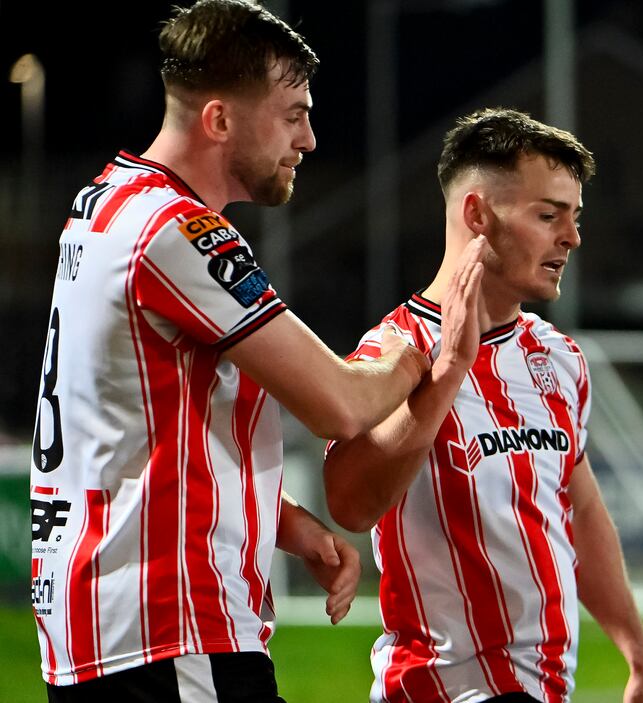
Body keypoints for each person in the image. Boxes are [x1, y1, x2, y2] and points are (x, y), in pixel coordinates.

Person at [27, 1, 475, 700]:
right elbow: (341, 403)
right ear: (220, 120)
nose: (311, 139)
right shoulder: (176, 231)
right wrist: (428, 338)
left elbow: (135, 430)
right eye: (293, 113)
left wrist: (282, 518)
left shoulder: (104, 204)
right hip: (171, 629)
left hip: (105, 627)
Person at [323, 108, 643, 703]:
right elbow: (350, 504)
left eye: (574, 217)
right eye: (548, 215)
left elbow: (579, 507)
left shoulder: (558, 357)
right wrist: (449, 374)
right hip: (441, 691)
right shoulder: (392, 353)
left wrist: (640, 655)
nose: (572, 237)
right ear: (477, 215)